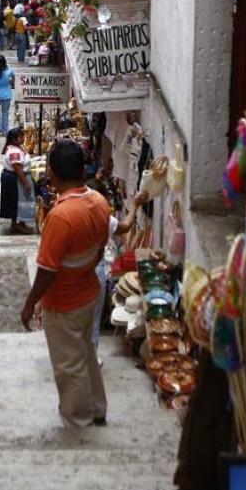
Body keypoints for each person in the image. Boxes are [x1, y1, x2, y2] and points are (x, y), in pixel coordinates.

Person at [20, 139, 110, 428]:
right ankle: (97, 407)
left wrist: (31, 302)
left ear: (53, 173)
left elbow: (47, 270)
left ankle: (78, 417)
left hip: (65, 303)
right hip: (89, 293)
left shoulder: (60, 217)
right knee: (85, 352)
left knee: (69, 364)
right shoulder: (98, 202)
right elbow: (100, 249)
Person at [85, 179, 149, 360]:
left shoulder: (74, 214)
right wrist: (135, 204)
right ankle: (91, 357)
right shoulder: (103, 217)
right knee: (94, 317)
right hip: (95, 271)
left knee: (76, 317)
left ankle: (77, 357)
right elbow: (126, 226)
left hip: (75, 270)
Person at [0, 127, 35, 235]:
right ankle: (18, 224)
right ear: (14, 139)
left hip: (12, 177)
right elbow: (17, 167)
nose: (23, 138)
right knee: (17, 201)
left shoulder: (16, 148)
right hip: (15, 178)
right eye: (21, 137)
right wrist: (25, 183)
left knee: (14, 201)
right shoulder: (14, 151)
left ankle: (16, 224)